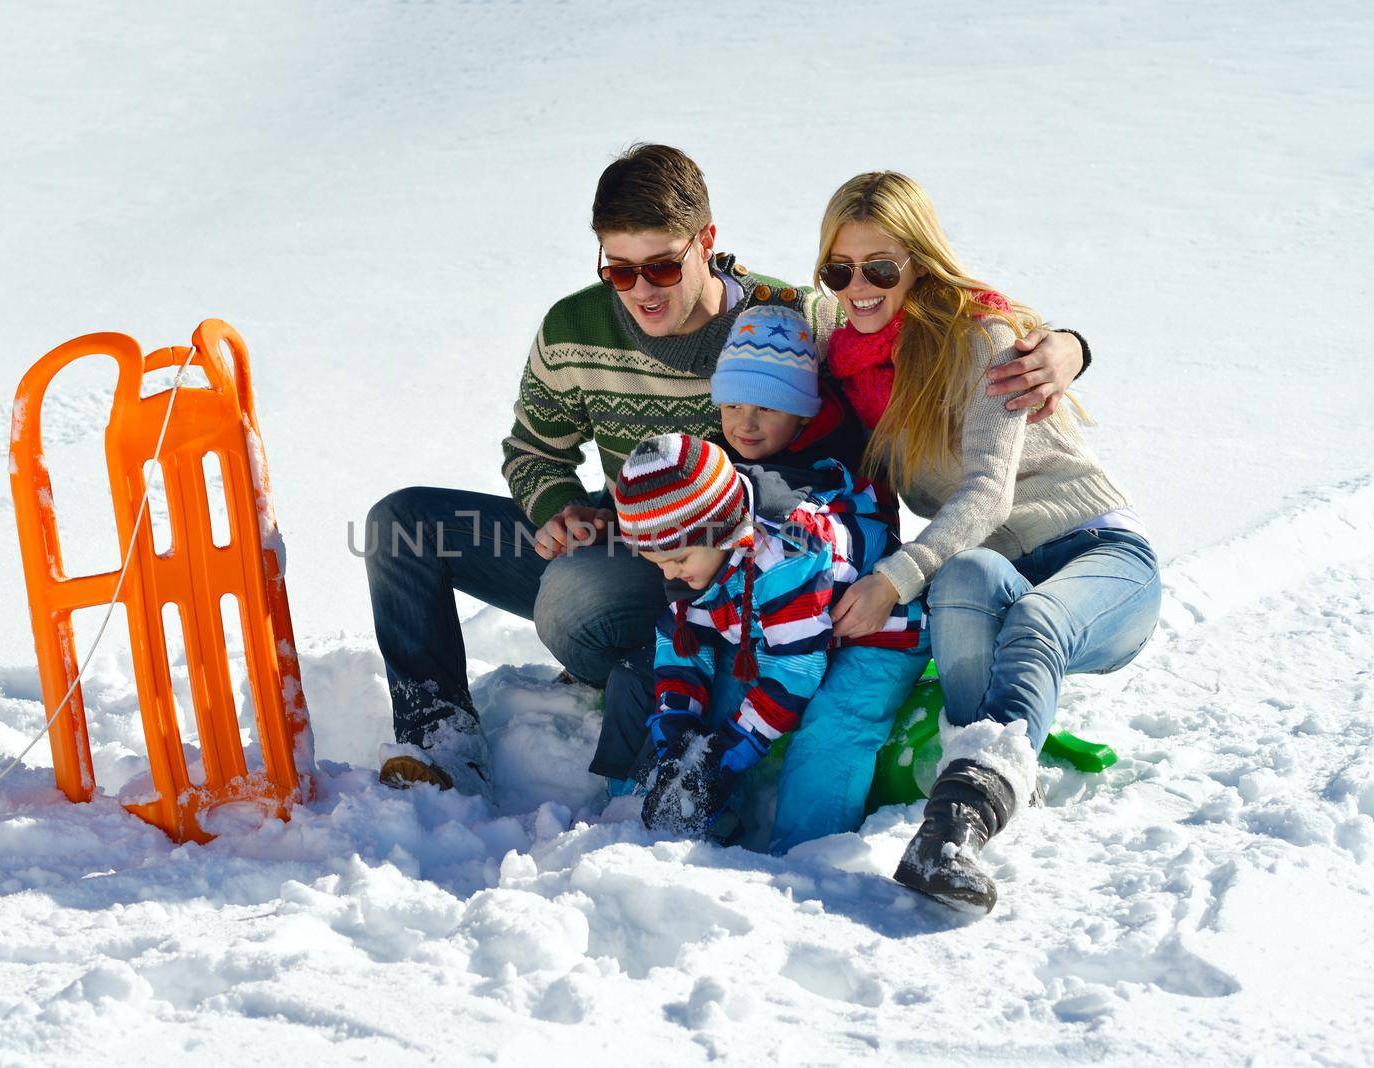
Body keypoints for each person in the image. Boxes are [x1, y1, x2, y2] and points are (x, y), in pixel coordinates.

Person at [363, 144, 1088, 800]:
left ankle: (642, 666)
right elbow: (533, 450)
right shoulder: (571, 328)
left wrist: (1063, 345)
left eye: (661, 266)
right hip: (617, 530)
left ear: (706, 244)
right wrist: (552, 502)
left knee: (577, 593)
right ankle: (441, 745)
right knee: (403, 524)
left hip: (725, 563)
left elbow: (901, 330)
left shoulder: (793, 318)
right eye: (618, 269)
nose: (640, 289)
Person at [815, 171, 1161, 913]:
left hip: (1096, 553)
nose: (859, 287)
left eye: (881, 267)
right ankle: (968, 812)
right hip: (993, 568)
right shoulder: (849, 363)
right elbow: (772, 311)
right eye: (839, 269)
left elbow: (986, 492)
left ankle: (959, 820)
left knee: (1035, 617)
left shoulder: (982, 336)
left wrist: (893, 579)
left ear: (918, 260)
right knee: (965, 575)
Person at [593, 303, 928, 853]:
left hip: (875, 631)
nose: (671, 576)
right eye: (660, 566)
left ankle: (806, 854)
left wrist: (734, 749)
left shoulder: (789, 552)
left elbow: (796, 667)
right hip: (777, 626)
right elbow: (681, 641)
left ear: (724, 532)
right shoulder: (692, 546)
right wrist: (676, 721)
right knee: (703, 713)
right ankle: (672, 823)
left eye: (676, 563)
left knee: (834, 723)